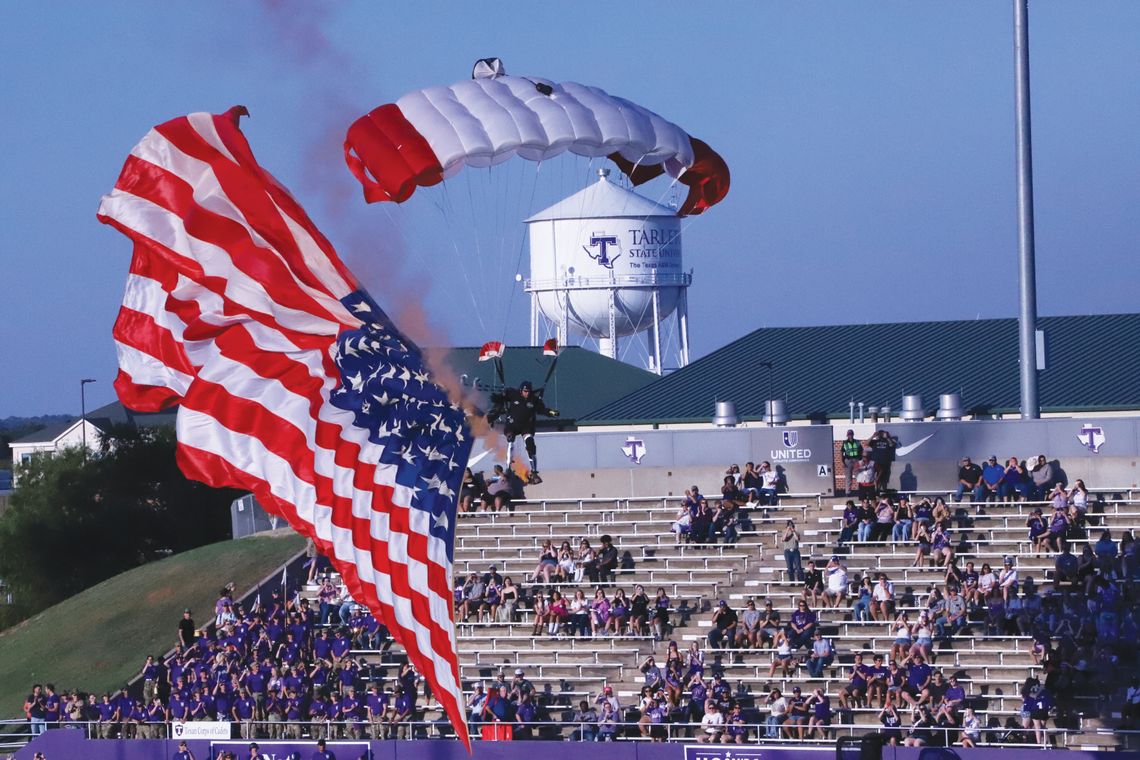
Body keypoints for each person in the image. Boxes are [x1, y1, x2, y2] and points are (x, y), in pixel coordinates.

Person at [488, 380, 559, 483]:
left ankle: (534, 471)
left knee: (530, 445)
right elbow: (500, 399)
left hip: (526, 427)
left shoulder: (534, 400)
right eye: (525, 391)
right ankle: (508, 467)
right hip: (512, 425)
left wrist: (551, 412)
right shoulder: (513, 394)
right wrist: (500, 396)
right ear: (521, 390)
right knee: (510, 440)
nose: (527, 393)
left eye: (529, 391)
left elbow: (542, 410)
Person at [841, 429, 863, 495]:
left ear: (853, 434)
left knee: (859, 476)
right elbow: (842, 453)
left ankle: (861, 490)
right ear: (847, 435)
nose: (850, 435)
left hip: (856, 460)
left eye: (851, 434)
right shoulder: (845, 443)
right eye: (849, 434)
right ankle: (848, 492)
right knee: (848, 477)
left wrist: (860, 460)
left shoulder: (857, 442)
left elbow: (861, 451)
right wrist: (842, 462)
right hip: (848, 460)